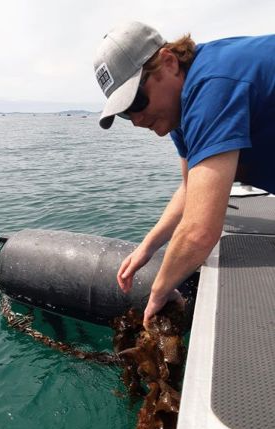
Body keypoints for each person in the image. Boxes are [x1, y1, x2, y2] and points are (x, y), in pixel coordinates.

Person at [93, 20, 275, 329]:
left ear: (169, 62)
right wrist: (147, 248)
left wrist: (158, 291)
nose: (136, 119)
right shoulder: (181, 108)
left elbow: (200, 231)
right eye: (124, 112)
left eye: (137, 101)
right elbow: (191, 189)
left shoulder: (213, 86)